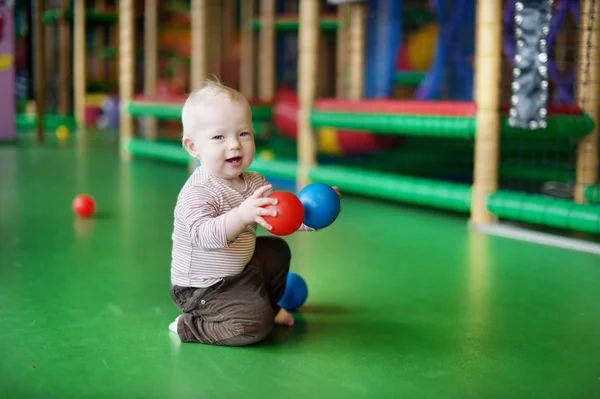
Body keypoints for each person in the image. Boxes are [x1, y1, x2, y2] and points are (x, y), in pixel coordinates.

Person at [168, 78, 341, 346]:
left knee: (276, 250)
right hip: (201, 289)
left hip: (238, 272)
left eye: (243, 133)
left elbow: (284, 216)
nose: (235, 144)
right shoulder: (198, 191)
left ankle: (267, 306)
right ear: (193, 147)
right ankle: (190, 326)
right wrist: (241, 215)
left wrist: (313, 214)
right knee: (252, 326)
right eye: (219, 137)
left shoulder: (256, 182)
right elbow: (203, 236)